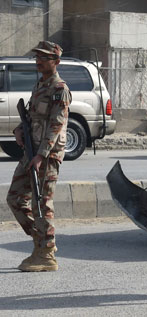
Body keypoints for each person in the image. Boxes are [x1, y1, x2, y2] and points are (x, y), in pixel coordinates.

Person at [6, 41, 71, 271]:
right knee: (14, 199)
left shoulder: (59, 89)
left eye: (44, 57)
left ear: (56, 62)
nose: (39, 60)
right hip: (31, 153)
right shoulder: (40, 86)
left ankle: (46, 255)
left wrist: (42, 156)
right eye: (37, 57)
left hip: (46, 156)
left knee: (41, 204)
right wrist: (20, 131)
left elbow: (56, 125)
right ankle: (43, 242)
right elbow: (34, 119)